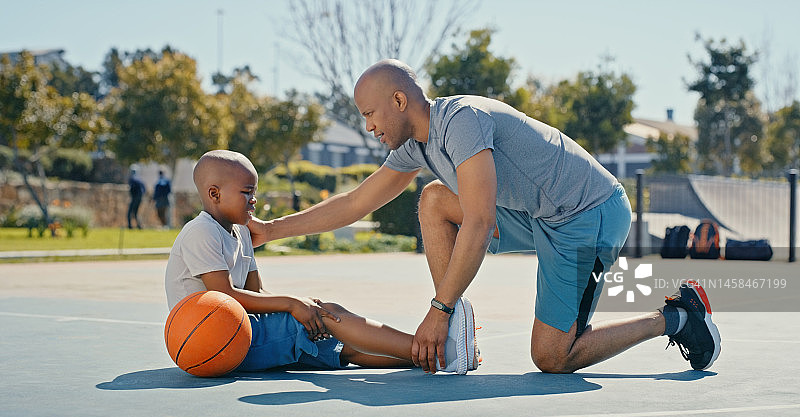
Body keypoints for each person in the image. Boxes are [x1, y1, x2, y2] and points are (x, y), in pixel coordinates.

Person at [247, 59, 721, 374]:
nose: (368, 126)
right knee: (435, 200)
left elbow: (478, 221)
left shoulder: (462, 121)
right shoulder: (416, 144)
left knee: (553, 357)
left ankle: (675, 317)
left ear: (399, 101)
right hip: (539, 214)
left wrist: (438, 309)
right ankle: (457, 333)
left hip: (587, 214)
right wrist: (270, 230)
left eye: (370, 113)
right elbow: (356, 203)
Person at [165, 150, 479, 374]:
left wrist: (300, 305)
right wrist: (293, 304)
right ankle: (438, 348)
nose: (254, 200)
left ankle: (437, 358)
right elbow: (225, 297)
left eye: (254, 192)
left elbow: (257, 295)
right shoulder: (201, 232)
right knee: (329, 314)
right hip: (211, 340)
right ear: (214, 194)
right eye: (247, 192)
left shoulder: (242, 232)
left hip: (241, 332)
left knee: (342, 346)